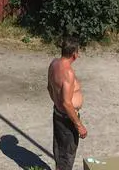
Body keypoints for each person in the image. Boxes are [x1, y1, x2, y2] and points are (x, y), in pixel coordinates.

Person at [47, 38, 87, 170]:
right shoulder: (68, 73)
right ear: (74, 53)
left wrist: (57, 105)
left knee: (60, 152)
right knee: (66, 156)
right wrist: (79, 125)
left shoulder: (53, 64)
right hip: (67, 119)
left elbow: (49, 88)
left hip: (58, 114)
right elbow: (67, 103)